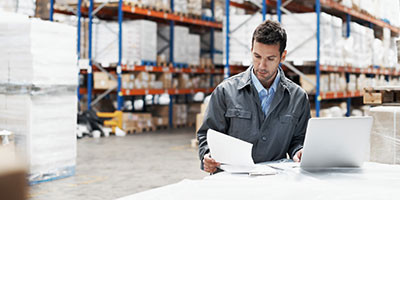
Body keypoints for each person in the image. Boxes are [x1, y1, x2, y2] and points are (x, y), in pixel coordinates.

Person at [197, 19, 311, 174]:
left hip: (275, 181)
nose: (262, 66)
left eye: (270, 59)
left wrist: (299, 151)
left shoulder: (298, 98)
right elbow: (208, 134)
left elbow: (299, 140)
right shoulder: (225, 91)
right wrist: (207, 156)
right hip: (232, 180)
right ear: (251, 50)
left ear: (282, 56)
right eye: (257, 56)